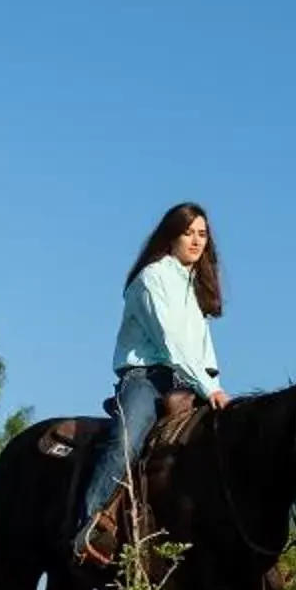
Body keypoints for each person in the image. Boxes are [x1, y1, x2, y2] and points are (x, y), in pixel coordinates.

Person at [74, 202, 230, 568]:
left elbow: (203, 353)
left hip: (189, 381)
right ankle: (90, 525)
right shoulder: (152, 278)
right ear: (171, 235)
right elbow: (172, 344)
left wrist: (215, 387)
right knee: (128, 438)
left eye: (202, 234)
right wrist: (210, 391)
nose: (196, 241)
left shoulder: (195, 289)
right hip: (147, 378)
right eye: (188, 232)